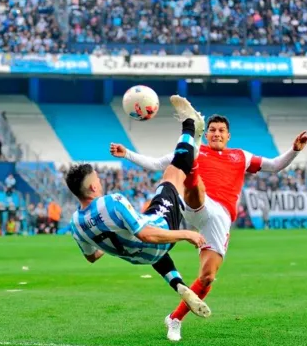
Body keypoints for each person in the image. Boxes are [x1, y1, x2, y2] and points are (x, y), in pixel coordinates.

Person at [110, 95, 307, 341]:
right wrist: (127, 154)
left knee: (207, 277)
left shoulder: (241, 156)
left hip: (221, 217)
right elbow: (155, 164)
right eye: (212, 130)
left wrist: (294, 150)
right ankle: (192, 159)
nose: (217, 134)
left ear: (228, 136)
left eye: (221, 131)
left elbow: (274, 165)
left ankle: (174, 319)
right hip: (195, 202)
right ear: (207, 135)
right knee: (194, 185)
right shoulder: (194, 152)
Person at [66, 117, 212, 319]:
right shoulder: (112, 202)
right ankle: (189, 123)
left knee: (147, 245)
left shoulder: (75, 224)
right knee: (174, 172)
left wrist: (110, 238)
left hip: (142, 257)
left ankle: (179, 285)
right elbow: (147, 235)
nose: (100, 182)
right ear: (92, 187)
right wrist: (186, 234)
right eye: (98, 180)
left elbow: (91, 257)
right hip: (158, 233)